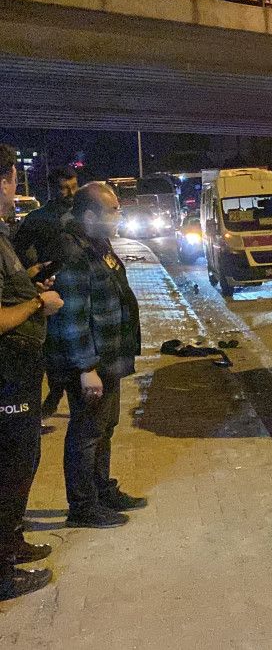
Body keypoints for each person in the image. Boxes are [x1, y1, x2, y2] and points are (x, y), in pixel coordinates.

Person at [44, 182, 145, 529]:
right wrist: (86, 368)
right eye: (113, 210)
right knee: (86, 433)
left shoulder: (98, 245)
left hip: (108, 358)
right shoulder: (74, 252)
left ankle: (102, 490)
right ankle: (83, 507)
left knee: (105, 427)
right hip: (91, 362)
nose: (119, 216)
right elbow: (73, 316)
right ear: (90, 216)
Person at [0, 144, 64, 600]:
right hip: (6, 375)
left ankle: (11, 543)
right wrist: (39, 302)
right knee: (11, 468)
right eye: (12, 179)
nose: (14, 188)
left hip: (18, 371)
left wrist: (31, 281)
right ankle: (2, 573)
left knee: (22, 462)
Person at [13, 166, 78, 419]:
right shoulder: (38, 218)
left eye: (74, 187)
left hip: (78, 289)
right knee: (52, 348)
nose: (70, 193)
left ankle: (70, 393)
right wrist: (36, 270)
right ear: (52, 189)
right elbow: (18, 251)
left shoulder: (82, 214)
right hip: (50, 290)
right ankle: (55, 392)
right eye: (64, 188)